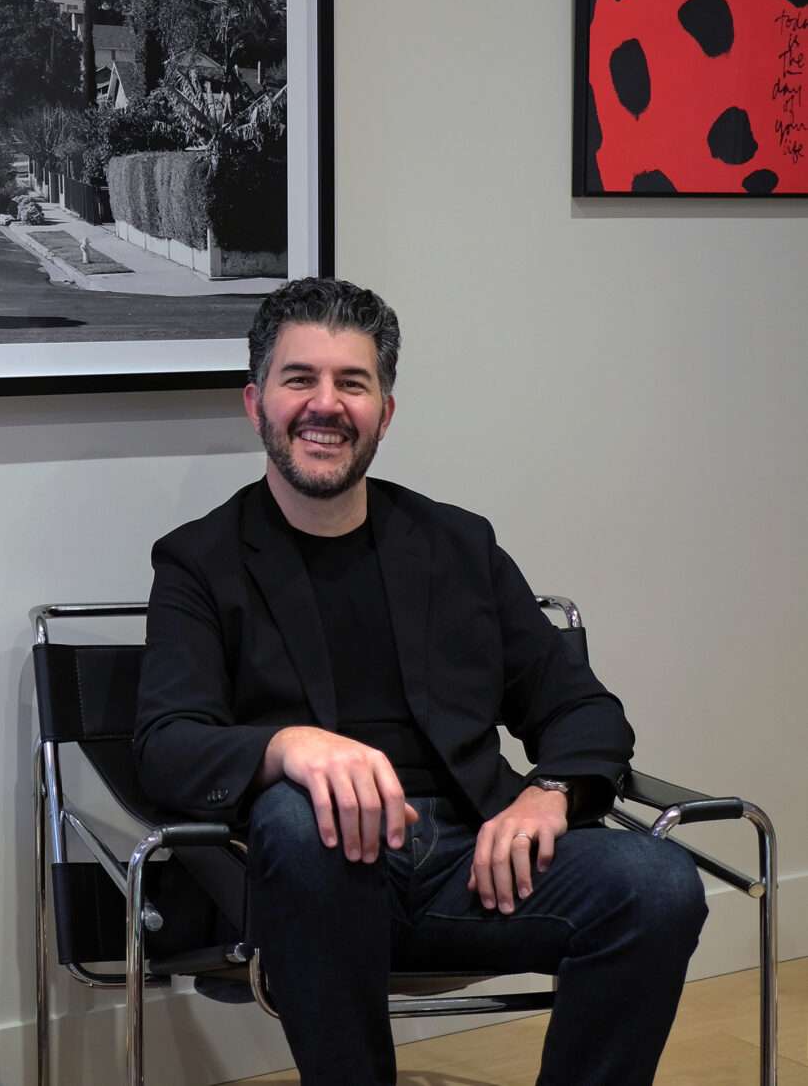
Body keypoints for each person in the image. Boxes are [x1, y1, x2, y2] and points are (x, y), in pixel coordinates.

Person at [134, 277, 707, 1086]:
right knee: (302, 819)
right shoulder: (200, 560)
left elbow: (581, 706)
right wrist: (290, 747)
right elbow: (166, 744)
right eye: (300, 379)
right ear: (256, 401)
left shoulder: (457, 546)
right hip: (307, 881)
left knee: (660, 881)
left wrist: (548, 795)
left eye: (352, 383)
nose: (325, 405)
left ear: (385, 413)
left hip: (472, 859)